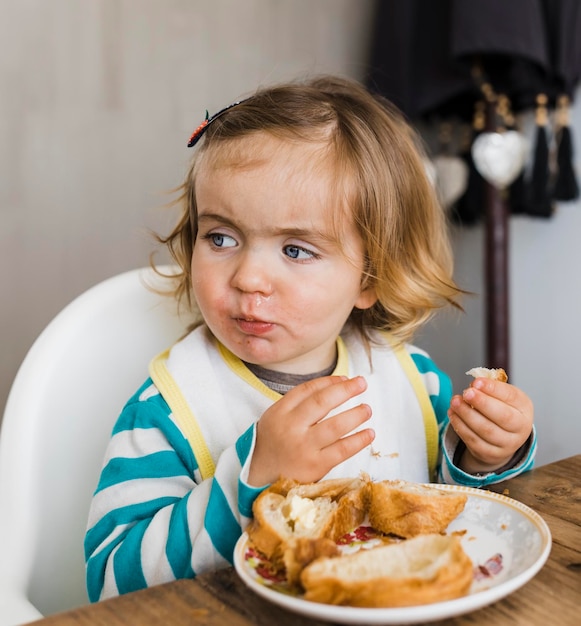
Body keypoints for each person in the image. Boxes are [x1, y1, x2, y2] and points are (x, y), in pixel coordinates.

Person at [84, 75, 535, 601]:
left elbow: (454, 515)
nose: (249, 277)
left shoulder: (414, 383)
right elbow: (112, 581)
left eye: (296, 250)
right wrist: (249, 480)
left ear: (369, 278)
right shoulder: (169, 407)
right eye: (221, 237)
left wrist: (485, 457)